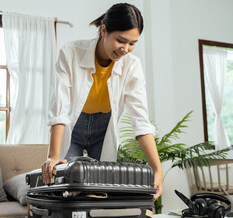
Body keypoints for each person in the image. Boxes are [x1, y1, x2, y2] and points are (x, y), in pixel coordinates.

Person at [41, 3, 163, 200]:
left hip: (103, 128)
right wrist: (54, 155)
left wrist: (157, 169)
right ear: (104, 30)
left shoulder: (132, 66)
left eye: (132, 43)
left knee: (101, 189)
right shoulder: (70, 53)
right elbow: (59, 110)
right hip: (75, 127)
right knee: (68, 185)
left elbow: (140, 120)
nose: (125, 49)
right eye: (121, 41)